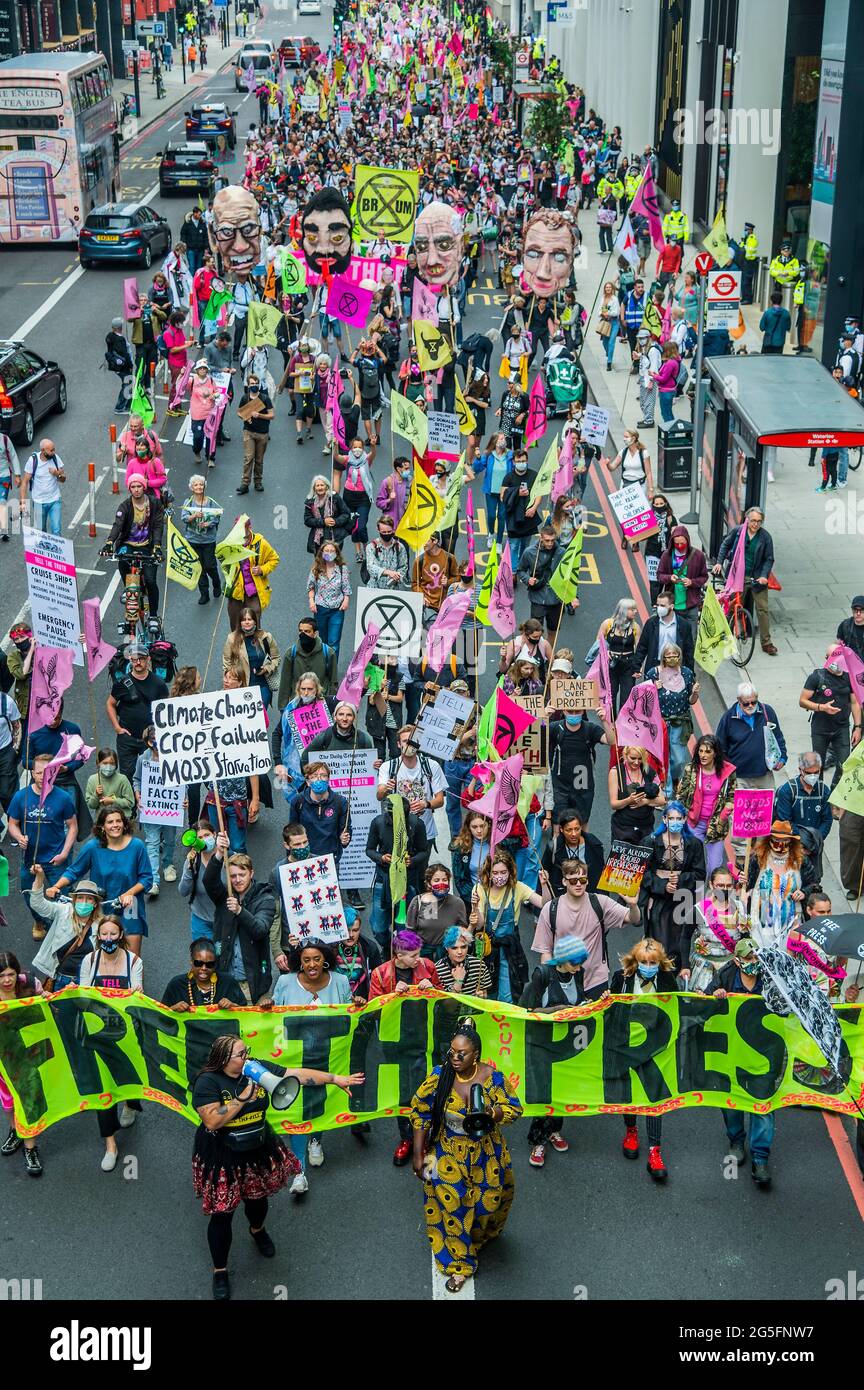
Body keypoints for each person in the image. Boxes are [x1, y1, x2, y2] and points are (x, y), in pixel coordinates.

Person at [192, 1034, 359, 1299]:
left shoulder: (256, 1068)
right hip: (224, 1154)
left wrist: (334, 1079)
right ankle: (220, 1270)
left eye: (246, 1051)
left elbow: (297, 1075)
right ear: (223, 1059)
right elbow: (212, 1121)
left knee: (258, 1202)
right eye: (240, 1054)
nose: (246, 1056)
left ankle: (256, 1229)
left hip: (257, 1147)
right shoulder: (207, 1081)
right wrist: (242, 1099)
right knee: (222, 1215)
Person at [409, 1020, 522, 1293]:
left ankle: (479, 1235)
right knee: (454, 1207)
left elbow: (515, 1108)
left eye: (462, 1054)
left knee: (488, 1203)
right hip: (447, 1151)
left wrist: (491, 1113)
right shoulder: (440, 1076)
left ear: (476, 1056)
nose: (455, 1058)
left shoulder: (492, 1078)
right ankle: (460, 1264)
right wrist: (418, 1154)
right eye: (452, 1052)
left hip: (486, 1152)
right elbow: (420, 1113)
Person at [703, 938, 774, 1187]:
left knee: (763, 1104)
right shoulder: (725, 975)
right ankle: (736, 1140)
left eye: (756, 958)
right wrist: (716, 996)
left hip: (762, 1053)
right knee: (731, 1100)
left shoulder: (770, 978)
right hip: (731, 1051)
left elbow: (785, 1008)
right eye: (748, 959)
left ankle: (760, 1157)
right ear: (737, 960)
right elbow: (704, 1004)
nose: (753, 963)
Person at [607, 938, 679, 1180]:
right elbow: (611, 1009)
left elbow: (678, 1007)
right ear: (635, 962)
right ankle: (631, 1130)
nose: (648, 965)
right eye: (644, 962)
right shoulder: (623, 978)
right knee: (629, 1093)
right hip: (627, 1045)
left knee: (655, 1098)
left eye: (653, 962)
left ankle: (654, 1153)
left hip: (655, 1048)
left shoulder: (667, 980)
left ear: (660, 963)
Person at [77, 915, 144, 1169]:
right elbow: (84, 996)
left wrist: (136, 994)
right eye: (103, 934)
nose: (108, 939)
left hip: (126, 1033)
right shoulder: (89, 961)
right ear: (98, 937)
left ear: (121, 935)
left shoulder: (134, 961)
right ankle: (110, 1144)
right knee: (103, 1089)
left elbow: (137, 996)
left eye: (112, 934)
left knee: (130, 1078)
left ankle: (130, 1102)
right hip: (98, 1034)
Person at [519, 933, 590, 1167]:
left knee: (561, 1089)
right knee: (543, 1090)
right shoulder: (542, 974)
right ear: (561, 959)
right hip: (541, 1042)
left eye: (580, 963)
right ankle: (537, 1141)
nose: (578, 967)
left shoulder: (576, 973)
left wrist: (585, 1005)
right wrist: (560, 1010)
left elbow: (578, 999)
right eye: (574, 962)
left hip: (565, 1043)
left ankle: (554, 1130)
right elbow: (527, 1010)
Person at [48, 808, 152, 956]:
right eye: (110, 822)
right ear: (102, 826)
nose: (115, 825)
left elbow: (146, 878)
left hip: (129, 908)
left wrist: (129, 893)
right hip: (102, 909)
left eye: (118, 821)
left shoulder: (137, 846)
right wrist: (56, 886)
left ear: (124, 824)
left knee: (133, 960)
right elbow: (74, 871)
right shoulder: (92, 847)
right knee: (100, 958)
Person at [7, 752, 77, 941]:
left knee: (62, 897)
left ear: (53, 773)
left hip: (55, 859)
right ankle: (39, 921)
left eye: (47, 772)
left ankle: (64, 930)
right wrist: (18, 836)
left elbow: (72, 826)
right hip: (30, 859)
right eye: (38, 773)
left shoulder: (62, 797)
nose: (42, 777)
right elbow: (12, 823)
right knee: (29, 895)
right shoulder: (21, 797)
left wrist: (64, 853)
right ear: (32, 772)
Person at [469, 849, 550, 1003]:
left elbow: (544, 904)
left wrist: (544, 885)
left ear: (510, 871)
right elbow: (478, 923)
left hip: (509, 949)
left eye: (503, 872)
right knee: (486, 991)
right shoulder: (479, 889)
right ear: (489, 872)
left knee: (508, 993)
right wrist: (474, 906)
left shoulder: (518, 887)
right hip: (487, 950)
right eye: (495, 872)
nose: (499, 876)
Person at [204, 835, 274, 1004]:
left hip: (251, 984)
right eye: (233, 876)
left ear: (251, 873)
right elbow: (208, 881)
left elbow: (260, 929)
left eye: (242, 875)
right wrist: (219, 854)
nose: (237, 880)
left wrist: (239, 910)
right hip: (225, 983)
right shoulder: (224, 896)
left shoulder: (265, 898)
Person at [638, 801, 706, 969]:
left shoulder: (694, 844)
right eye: (671, 818)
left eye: (678, 818)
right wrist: (662, 885)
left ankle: (677, 978)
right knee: (658, 943)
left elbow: (700, 873)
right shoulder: (651, 842)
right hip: (659, 899)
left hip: (682, 899)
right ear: (664, 819)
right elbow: (642, 873)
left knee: (679, 943)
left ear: (684, 819)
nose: (675, 822)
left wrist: (681, 880)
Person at [0, 953, 45, 1176]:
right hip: (2, 1058)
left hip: (27, 1054)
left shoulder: (29, 984)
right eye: (2, 976)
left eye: (11, 974)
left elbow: (45, 1005)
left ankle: (30, 1147)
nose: (7, 980)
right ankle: (15, 1130)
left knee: (27, 1099)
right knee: (8, 1102)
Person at [714, 507, 777, 656]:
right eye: (753, 521)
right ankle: (725, 637)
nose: (756, 524)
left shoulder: (765, 537)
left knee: (763, 610)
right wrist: (719, 562)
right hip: (738, 576)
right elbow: (725, 545)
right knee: (731, 607)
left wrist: (763, 576)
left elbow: (769, 559)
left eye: (759, 522)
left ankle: (766, 643)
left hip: (756, 578)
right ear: (747, 520)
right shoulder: (738, 532)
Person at [746, 820, 816, 948]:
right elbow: (747, 887)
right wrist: (742, 882)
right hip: (762, 922)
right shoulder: (758, 859)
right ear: (769, 841)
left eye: (785, 843)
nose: (780, 847)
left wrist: (804, 892)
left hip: (790, 921)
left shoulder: (801, 861)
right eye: (776, 841)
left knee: (788, 956)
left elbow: (813, 884)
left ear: (791, 843)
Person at [106, 642, 170, 782]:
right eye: (135, 659)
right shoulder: (121, 683)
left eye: (141, 658)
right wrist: (117, 728)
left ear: (148, 660)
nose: (138, 662)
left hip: (149, 739)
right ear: (131, 660)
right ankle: (131, 803)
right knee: (127, 775)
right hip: (127, 738)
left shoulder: (159, 684)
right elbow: (110, 704)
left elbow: (166, 708)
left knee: (149, 775)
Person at [104, 476, 165, 619]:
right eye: (133, 487)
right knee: (122, 560)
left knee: (150, 581)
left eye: (139, 486)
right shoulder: (124, 506)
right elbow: (118, 525)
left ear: (144, 487)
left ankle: (154, 616)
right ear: (129, 488)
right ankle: (128, 588)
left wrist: (156, 545)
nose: (136, 490)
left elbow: (157, 526)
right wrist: (109, 542)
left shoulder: (155, 503)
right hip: (128, 544)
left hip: (148, 546)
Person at [799, 649, 862, 786]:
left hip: (841, 727)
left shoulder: (849, 677)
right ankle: (820, 795)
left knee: (844, 764)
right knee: (817, 767)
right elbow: (802, 701)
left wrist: (857, 727)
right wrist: (822, 707)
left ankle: (834, 794)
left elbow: (854, 702)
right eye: (828, 657)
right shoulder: (817, 676)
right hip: (820, 729)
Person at [377, 725, 448, 848]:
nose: (409, 744)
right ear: (399, 744)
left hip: (425, 832)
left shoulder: (432, 766)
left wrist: (426, 804)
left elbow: (440, 800)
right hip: (396, 832)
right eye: (405, 741)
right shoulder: (388, 767)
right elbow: (379, 796)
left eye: (412, 741)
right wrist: (386, 788)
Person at [30, 869, 102, 988]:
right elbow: (38, 904)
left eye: (89, 899)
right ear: (74, 900)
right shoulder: (63, 911)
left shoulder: (101, 925)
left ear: (95, 903)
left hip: (88, 982)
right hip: (61, 980)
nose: (84, 902)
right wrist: (39, 877)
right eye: (80, 898)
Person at [715, 682, 786, 800]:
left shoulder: (767, 712)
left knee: (766, 814)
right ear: (738, 700)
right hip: (740, 778)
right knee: (742, 815)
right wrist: (729, 771)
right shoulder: (728, 718)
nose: (750, 705)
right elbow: (720, 748)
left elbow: (778, 737)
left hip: (764, 776)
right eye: (746, 703)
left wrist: (782, 758)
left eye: (754, 702)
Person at [684, 865, 749, 994]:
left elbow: (745, 939)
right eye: (720, 885)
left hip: (731, 969)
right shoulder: (699, 909)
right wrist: (685, 966)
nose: (724, 889)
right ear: (712, 885)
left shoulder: (740, 907)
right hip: (704, 970)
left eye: (728, 886)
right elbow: (685, 938)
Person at [677, 734, 736, 875]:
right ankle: (695, 896)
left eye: (708, 752)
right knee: (692, 865)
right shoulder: (691, 769)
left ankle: (713, 897)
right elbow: (681, 795)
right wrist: (683, 815)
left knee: (714, 869)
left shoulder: (728, 771)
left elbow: (732, 797)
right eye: (701, 751)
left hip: (716, 826)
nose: (703, 755)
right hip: (693, 824)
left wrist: (722, 817)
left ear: (715, 753)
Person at [646, 644, 700, 792]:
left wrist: (694, 693)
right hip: (660, 723)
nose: (671, 658)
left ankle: (675, 778)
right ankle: (667, 792)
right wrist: (652, 689)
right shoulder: (653, 674)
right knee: (663, 758)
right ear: (663, 657)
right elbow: (645, 701)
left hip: (680, 722)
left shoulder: (687, 674)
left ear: (679, 656)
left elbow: (691, 700)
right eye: (668, 655)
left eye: (674, 655)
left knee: (678, 759)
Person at [133, 725, 178, 897]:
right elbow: (136, 779)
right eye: (153, 740)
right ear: (147, 742)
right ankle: (153, 880)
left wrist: (184, 797)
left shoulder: (174, 757)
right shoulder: (143, 758)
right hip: (151, 809)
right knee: (151, 843)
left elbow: (183, 779)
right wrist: (138, 795)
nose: (157, 743)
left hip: (170, 809)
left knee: (169, 839)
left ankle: (167, 864)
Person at [774, 752, 833, 881]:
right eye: (808, 773)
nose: (813, 776)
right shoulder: (787, 791)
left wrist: (814, 844)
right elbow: (785, 822)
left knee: (813, 881)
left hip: (815, 847)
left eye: (816, 772)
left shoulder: (824, 791)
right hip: (791, 846)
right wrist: (801, 845)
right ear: (800, 770)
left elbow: (827, 820)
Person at [226, 516, 279, 630]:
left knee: (254, 625)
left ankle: (254, 646)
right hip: (236, 591)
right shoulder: (230, 544)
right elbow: (224, 563)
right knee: (235, 627)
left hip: (253, 591)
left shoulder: (261, 543)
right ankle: (238, 646)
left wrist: (262, 569)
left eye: (240, 528)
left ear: (249, 527)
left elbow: (274, 559)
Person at [222, 608, 280, 709]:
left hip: (262, 685)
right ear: (240, 622)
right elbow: (227, 662)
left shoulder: (266, 637)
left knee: (261, 716)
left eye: (250, 619)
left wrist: (267, 668)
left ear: (255, 621)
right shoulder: (231, 639)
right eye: (244, 619)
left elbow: (276, 658)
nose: (247, 622)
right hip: (241, 686)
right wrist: (230, 680)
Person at [608, 744, 665, 845]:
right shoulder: (616, 772)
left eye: (640, 759)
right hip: (623, 827)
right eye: (633, 758)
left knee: (645, 860)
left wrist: (645, 802)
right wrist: (629, 800)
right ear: (625, 755)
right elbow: (614, 804)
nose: (636, 762)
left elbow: (662, 800)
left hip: (645, 826)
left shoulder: (649, 771)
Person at [517, 527, 566, 642]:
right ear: (541, 538)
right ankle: (535, 654)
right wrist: (527, 579)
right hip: (537, 598)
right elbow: (520, 570)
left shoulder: (562, 553)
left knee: (553, 630)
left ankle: (547, 655)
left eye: (553, 540)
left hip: (556, 598)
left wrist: (574, 597)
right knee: (534, 630)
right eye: (547, 540)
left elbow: (570, 575)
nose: (550, 543)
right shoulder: (529, 552)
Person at [655, 526, 708, 632]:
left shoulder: (698, 555)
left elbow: (704, 577)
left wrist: (692, 582)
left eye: (682, 544)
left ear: (687, 541)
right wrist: (670, 578)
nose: (679, 546)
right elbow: (659, 575)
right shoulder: (667, 555)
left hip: (691, 606)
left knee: (691, 640)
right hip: (672, 607)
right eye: (677, 544)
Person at [405, 863, 467, 953]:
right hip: (422, 953)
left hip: (447, 953)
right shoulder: (418, 901)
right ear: (429, 884)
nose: (441, 883)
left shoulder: (457, 903)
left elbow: (462, 930)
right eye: (436, 880)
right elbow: (410, 931)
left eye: (444, 880)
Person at [180, 476, 222, 606]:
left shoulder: (211, 502)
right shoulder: (188, 502)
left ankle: (216, 583)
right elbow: (184, 518)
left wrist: (209, 523)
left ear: (204, 487)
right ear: (191, 488)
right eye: (196, 485)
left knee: (210, 565)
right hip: (193, 540)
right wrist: (193, 516)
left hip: (208, 540)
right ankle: (204, 593)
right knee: (199, 568)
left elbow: (217, 517)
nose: (199, 487)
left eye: (201, 485)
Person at [306, 541, 352, 656]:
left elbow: (346, 588)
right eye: (327, 551)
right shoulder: (316, 569)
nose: (329, 553)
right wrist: (311, 601)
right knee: (322, 641)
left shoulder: (342, 569)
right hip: (320, 608)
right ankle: (322, 667)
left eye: (332, 551)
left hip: (337, 609)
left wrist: (346, 601)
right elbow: (310, 587)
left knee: (334, 642)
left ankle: (332, 671)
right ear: (322, 553)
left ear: (337, 553)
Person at [277, 618, 338, 705]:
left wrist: (331, 704)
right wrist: (283, 707)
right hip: (298, 703)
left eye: (307, 631)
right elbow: (285, 683)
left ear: (315, 633)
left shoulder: (328, 653)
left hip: (320, 703)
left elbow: (333, 681)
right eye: (300, 631)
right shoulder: (291, 653)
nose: (303, 634)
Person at [178, 820, 220, 942]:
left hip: (224, 919)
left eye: (207, 835)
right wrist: (189, 869)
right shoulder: (193, 861)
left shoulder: (228, 858)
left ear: (214, 834)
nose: (204, 840)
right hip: (201, 920)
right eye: (199, 838)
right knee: (204, 957)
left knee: (222, 956)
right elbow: (183, 891)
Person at [597, 598, 640, 712]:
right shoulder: (608, 624)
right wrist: (606, 652)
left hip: (628, 665)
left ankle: (623, 724)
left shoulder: (635, 627)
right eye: (632, 609)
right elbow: (598, 644)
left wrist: (637, 668)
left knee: (626, 698)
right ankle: (612, 724)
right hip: (611, 665)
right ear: (623, 611)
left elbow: (639, 650)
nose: (635, 611)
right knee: (611, 696)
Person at [236, 372, 274, 495]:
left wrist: (260, 415)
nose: (254, 385)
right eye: (252, 383)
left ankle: (258, 482)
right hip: (249, 432)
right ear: (248, 385)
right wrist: (245, 417)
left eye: (256, 383)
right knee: (248, 457)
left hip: (263, 433)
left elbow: (272, 415)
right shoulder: (245, 398)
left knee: (259, 459)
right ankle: (245, 483)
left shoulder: (265, 398)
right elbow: (239, 412)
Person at [20, 439, 64, 535]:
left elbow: (63, 479)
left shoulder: (55, 458)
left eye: (54, 450)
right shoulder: (33, 460)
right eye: (51, 450)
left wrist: (57, 474)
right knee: (41, 532)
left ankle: (56, 550)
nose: (53, 453)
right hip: (39, 502)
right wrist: (23, 502)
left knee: (56, 529)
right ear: (43, 450)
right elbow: (25, 482)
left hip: (54, 500)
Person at [412, 534, 460, 621]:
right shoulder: (419, 560)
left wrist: (448, 582)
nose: (423, 544)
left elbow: (458, 578)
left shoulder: (450, 558)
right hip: (428, 606)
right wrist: (421, 596)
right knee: (431, 631)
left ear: (435, 541)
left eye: (426, 541)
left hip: (446, 605)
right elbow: (415, 583)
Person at [435, 925, 492, 996]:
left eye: (463, 947)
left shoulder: (479, 965)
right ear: (446, 948)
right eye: (454, 948)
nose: (460, 952)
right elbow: (445, 1006)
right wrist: (458, 982)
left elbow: (485, 996)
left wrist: (481, 997)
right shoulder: (437, 969)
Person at [304, 476, 352, 555]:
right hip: (318, 539)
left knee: (333, 561)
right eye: (317, 485)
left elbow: (346, 513)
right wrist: (323, 522)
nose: (320, 488)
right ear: (314, 488)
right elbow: (307, 520)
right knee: (320, 563)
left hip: (335, 536)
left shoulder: (334, 498)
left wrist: (336, 521)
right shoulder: (310, 501)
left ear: (326, 486)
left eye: (322, 485)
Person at [0, 682, 21, 816]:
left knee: (8, 793)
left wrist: (15, 749)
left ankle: (15, 823)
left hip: (4, 753)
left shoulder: (6, 702)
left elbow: (16, 725)